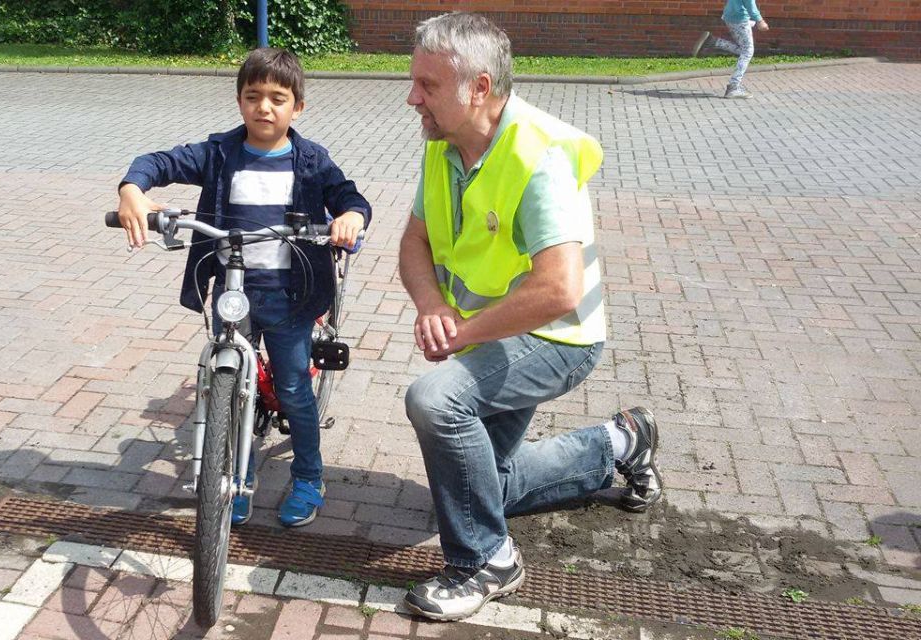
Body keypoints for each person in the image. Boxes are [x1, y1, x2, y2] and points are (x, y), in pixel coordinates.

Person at [398, 12, 662, 621]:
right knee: (479, 487)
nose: (413, 98)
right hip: (497, 333)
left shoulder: (538, 156)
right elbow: (414, 242)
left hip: (558, 339)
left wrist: (460, 334)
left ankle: (486, 560)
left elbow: (559, 291)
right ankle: (623, 440)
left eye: (428, 86)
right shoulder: (445, 146)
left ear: (480, 88)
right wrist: (432, 304)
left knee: (436, 400)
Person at [115, 47, 371, 528]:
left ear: (297, 107)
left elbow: (347, 194)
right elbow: (158, 162)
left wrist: (351, 216)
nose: (264, 108)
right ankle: (231, 474)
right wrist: (133, 188)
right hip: (234, 288)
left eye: (278, 98)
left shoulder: (311, 160)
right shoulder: (218, 153)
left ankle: (309, 477)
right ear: (239, 101)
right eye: (253, 96)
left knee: (294, 386)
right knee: (228, 390)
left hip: (291, 295)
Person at [691, 0, 770, 98]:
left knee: (743, 50)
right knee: (747, 52)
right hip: (739, 19)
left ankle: (713, 42)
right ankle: (733, 87)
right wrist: (760, 21)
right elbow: (750, 5)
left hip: (730, 16)